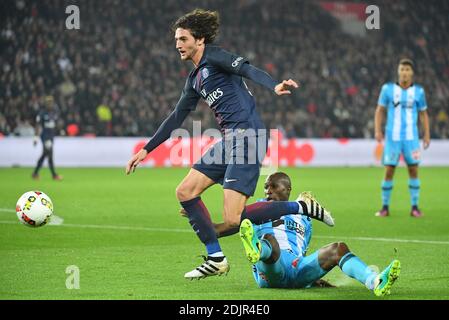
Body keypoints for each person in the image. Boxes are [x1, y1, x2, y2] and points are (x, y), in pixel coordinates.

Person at [126, 9, 333, 279]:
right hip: (229, 140)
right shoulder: (194, 79)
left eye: (183, 39)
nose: (177, 44)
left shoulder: (215, 56)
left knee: (233, 219)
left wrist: (273, 86)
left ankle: (302, 208)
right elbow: (176, 116)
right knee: (185, 191)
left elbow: (247, 69)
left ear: (199, 40)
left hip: (248, 136)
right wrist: (145, 149)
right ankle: (216, 258)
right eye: (176, 39)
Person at [237, 172, 401, 297]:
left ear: (287, 189)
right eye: (266, 187)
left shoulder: (305, 218)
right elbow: (237, 217)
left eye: (273, 186)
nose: (268, 191)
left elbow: (302, 251)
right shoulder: (260, 208)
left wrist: (313, 277)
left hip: (296, 268)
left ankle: (375, 281)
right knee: (270, 241)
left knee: (338, 248)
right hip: (271, 270)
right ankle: (257, 250)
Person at [374, 59, 430, 218]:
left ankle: (415, 207)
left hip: (411, 138)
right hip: (393, 138)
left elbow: (423, 114)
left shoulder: (418, 91)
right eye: (402, 69)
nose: (405, 72)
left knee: (413, 170)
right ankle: (385, 208)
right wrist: (377, 130)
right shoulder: (388, 89)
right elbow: (379, 110)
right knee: (389, 171)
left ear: (411, 73)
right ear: (398, 71)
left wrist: (427, 134)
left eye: (407, 69)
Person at [32, 95, 62, 181]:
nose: (50, 104)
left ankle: (35, 173)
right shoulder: (42, 113)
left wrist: (60, 130)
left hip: (51, 136)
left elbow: (56, 123)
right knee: (50, 154)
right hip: (45, 137)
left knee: (45, 154)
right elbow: (38, 126)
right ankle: (54, 175)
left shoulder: (55, 112)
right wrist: (35, 138)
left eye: (51, 102)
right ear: (45, 104)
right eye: (48, 102)